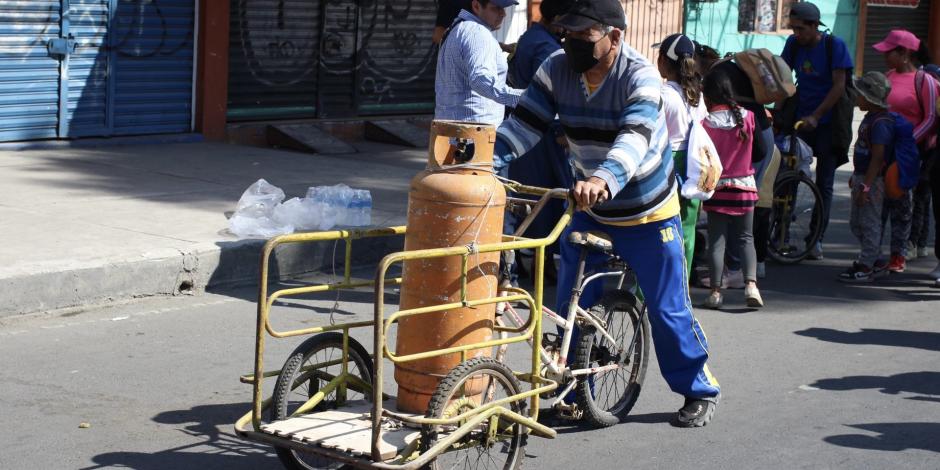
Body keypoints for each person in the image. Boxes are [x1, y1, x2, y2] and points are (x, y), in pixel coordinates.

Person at [493, 0, 721, 427]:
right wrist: (487, 161)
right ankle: (572, 390)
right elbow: (523, 124)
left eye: (583, 36)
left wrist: (602, 179)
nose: (572, 43)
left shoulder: (642, 77)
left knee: (667, 310)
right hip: (590, 212)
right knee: (570, 307)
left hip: (647, 214)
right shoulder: (557, 69)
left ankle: (698, 389)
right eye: (568, 34)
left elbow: (633, 139)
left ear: (615, 36)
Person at [501, 0, 575, 285]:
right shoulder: (547, 47)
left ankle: (531, 262)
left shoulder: (531, 37)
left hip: (526, 130)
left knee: (530, 199)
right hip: (541, 135)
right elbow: (549, 94)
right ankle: (538, 264)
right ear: (557, 20)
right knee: (546, 200)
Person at [780, 2, 854, 260]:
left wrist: (817, 115)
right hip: (800, 120)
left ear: (814, 25)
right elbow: (783, 76)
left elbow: (839, 86)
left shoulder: (834, 46)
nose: (796, 33)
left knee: (824, 183)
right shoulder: (793, 45)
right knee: (787, 174)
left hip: (828, 124)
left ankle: (816, 238)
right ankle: (782, 233)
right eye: (793, 28)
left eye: (801, 29)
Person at [874, 30, 938, 272]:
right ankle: (873, 254)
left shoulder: (925, 81)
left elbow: (931, 117)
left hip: (909, 154)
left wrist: (908, 142)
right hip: (883, 151)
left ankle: (898, 255)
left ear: (904, 54)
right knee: (878, 205)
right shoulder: (887, 76)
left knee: (902, 206)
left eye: (889, 51)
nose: (884, 55)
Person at [700, 72, 763, 309]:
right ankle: (751, 286)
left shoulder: (705, 123)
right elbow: (761, 150)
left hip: (718, 189)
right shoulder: (748, 118)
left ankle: (715, 292)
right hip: (744, 187)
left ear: (709, 95)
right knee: (746, 238)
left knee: (717, 241)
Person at [656, 33, 708, 276]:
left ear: (663, 62)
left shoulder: (664, 95)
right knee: (686, 229)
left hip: (668, 163)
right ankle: (681, 287)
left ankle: (646, 294)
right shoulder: (697, 96)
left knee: (659, 228)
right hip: (694, 164)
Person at [434, 0, 523, 129]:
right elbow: (481, 81)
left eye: (504, 8)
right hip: (474, 137)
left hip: (453, 133)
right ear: (476, 6)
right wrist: (525, 99)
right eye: (497, 8)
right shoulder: (477, 33)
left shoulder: (456, 28)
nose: (503, 14)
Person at [840, 72, 894, 282]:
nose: (857, 97)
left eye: (860, 94)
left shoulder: (880, 123)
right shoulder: (870, 119)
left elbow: (878, 157)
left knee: (869, 223)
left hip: (872, 181)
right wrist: (856, 176)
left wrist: (866, 186)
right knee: (857, 223)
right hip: (863, 177)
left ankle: (867, 265)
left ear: (870, 98)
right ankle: (877, 259)